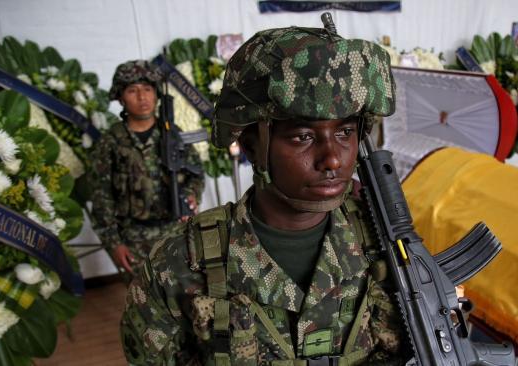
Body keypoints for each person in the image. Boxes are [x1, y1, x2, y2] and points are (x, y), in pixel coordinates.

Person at [120, 21, 410, 365]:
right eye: (302, 136)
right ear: (251, 146)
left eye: (345, 131)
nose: (332, 158)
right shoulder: (180, 263)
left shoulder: (388, 244)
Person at [89, 60, 205, 280]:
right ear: (121, 98)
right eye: (133, 91)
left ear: (156, 95)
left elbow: (196, 173)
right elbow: (101, 196)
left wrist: (190, 196)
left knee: (188, 296)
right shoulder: (111, 142)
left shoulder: (173, 134)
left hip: (175, 232)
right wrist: (114, 243)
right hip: (134, 238)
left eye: (147, 89)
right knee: (145, 305)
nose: (142, 98)